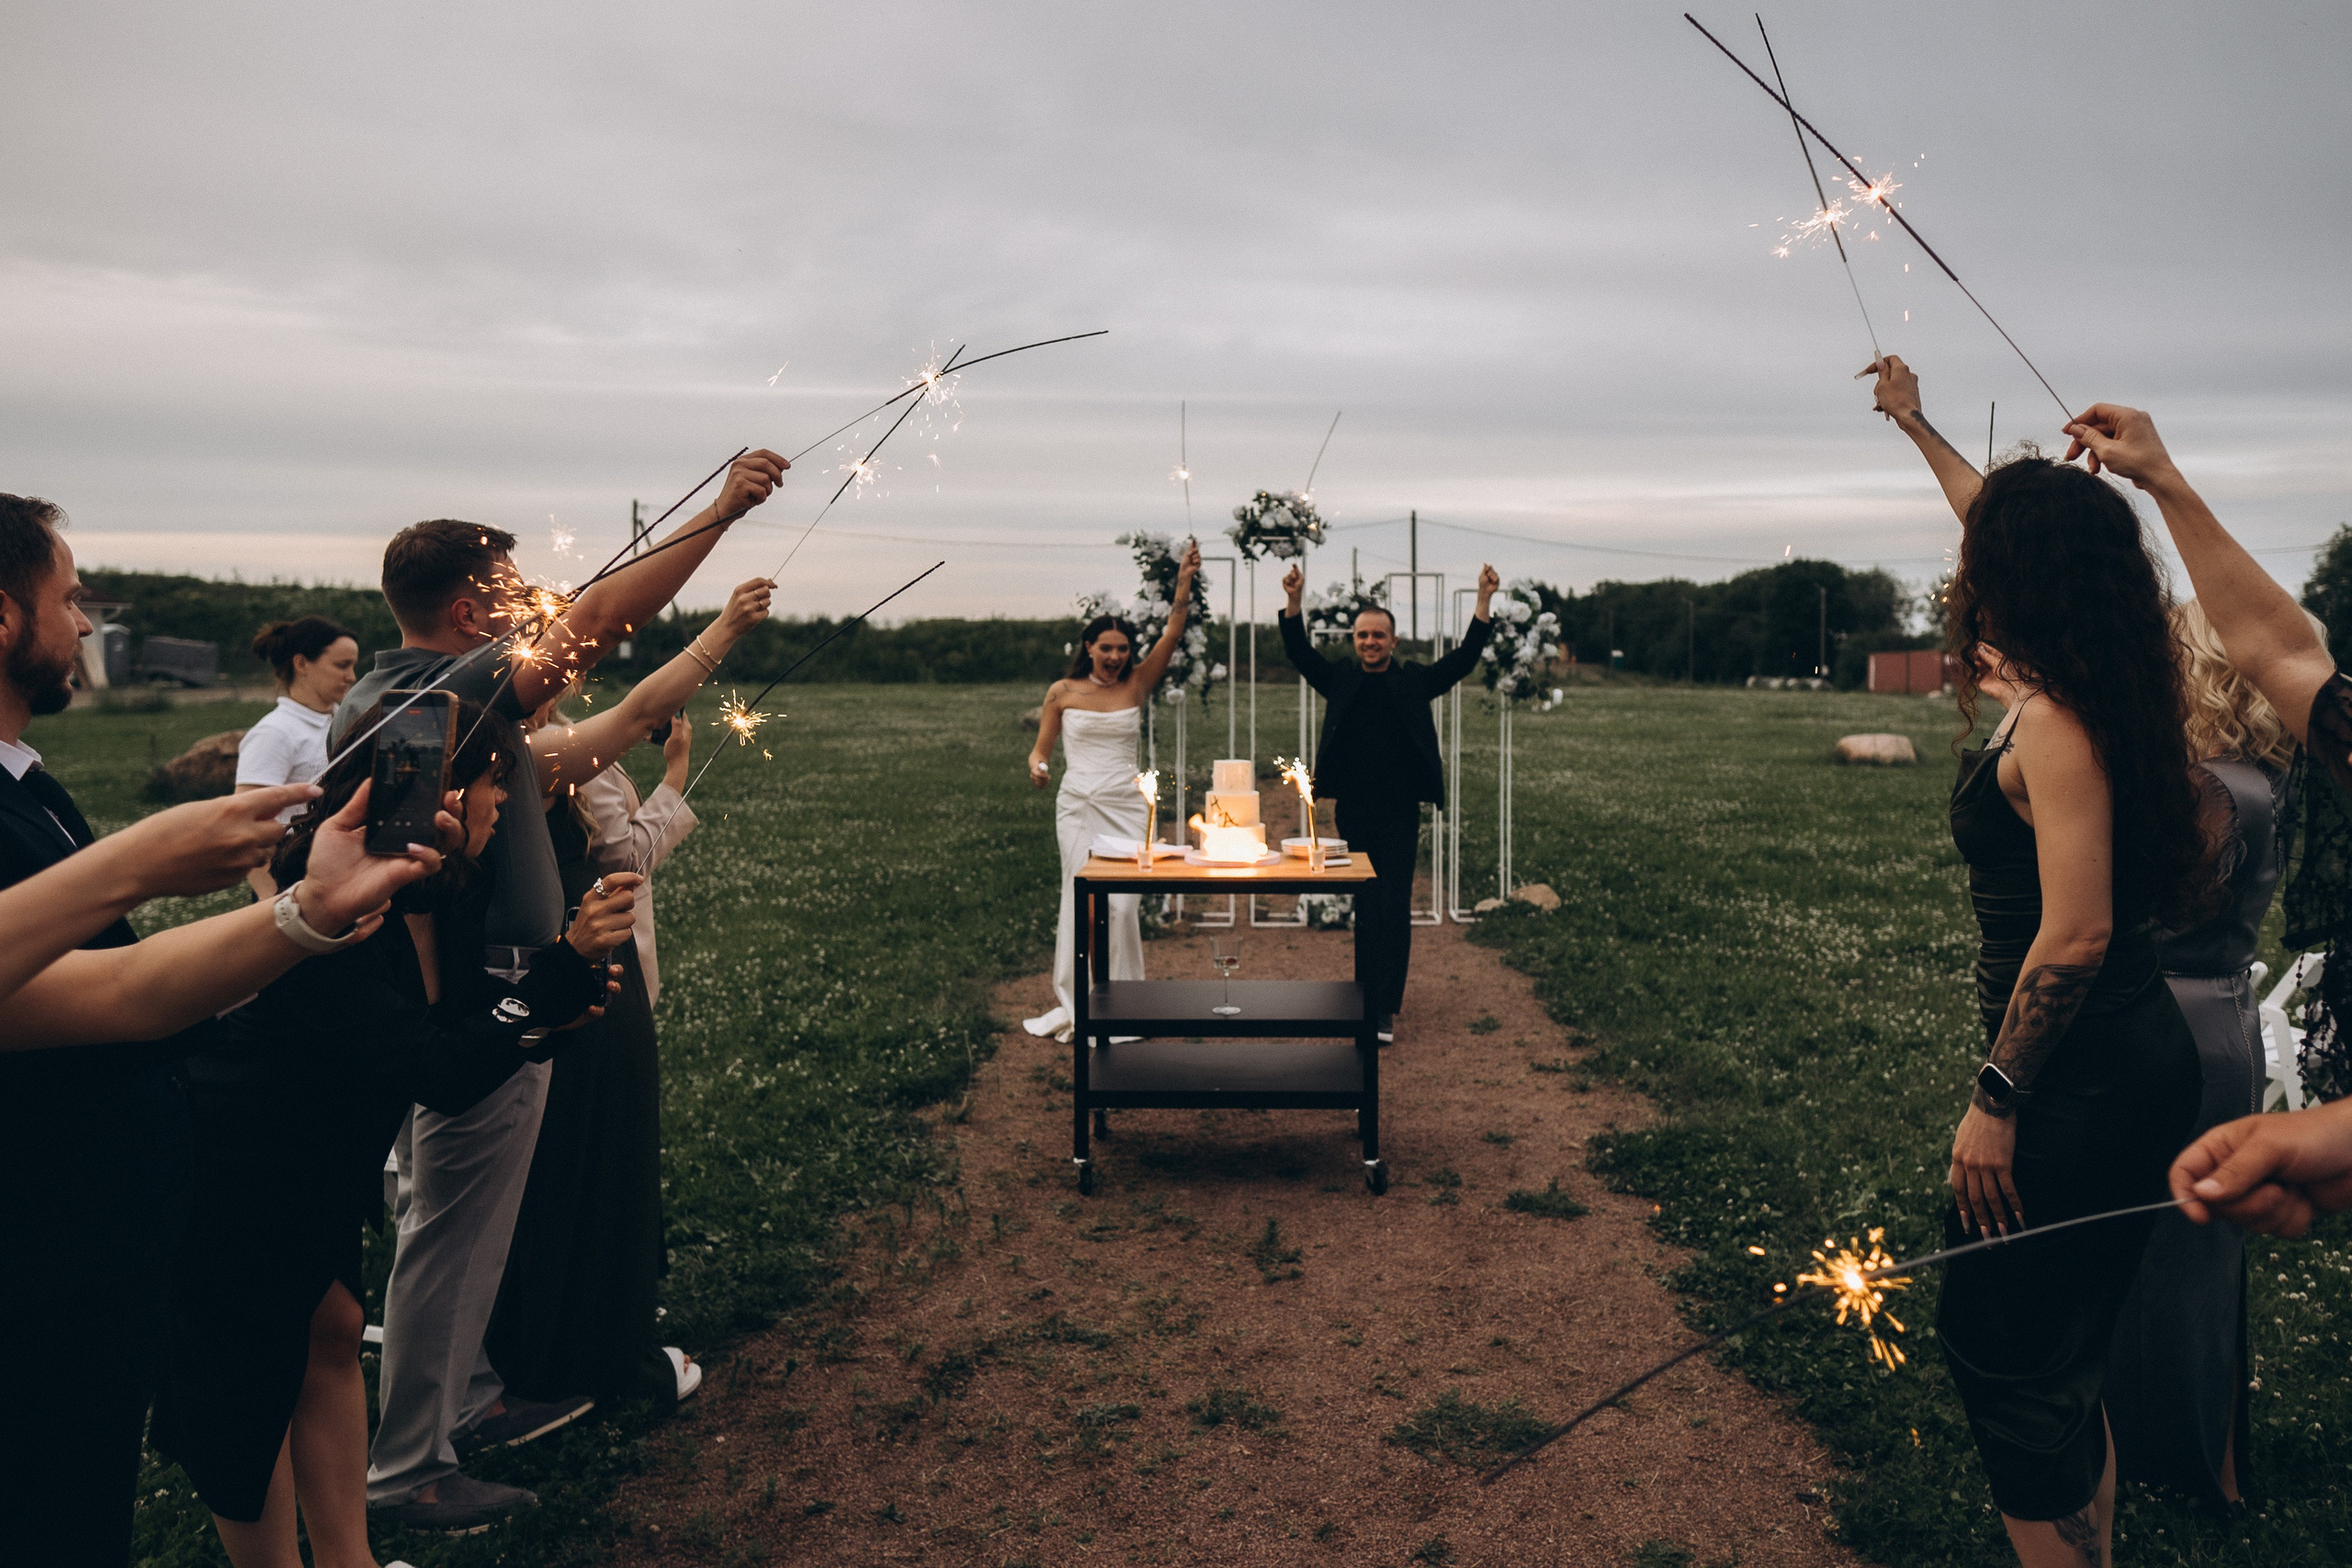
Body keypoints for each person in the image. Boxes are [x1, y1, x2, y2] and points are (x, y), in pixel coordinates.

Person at [0, 493, 443, 1568]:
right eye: (65, 598)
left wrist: (310, 912)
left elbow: (115, 991)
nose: (84, 625)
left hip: (96, 1255)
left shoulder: (25, 782)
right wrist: (147, 855)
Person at [352, 451, 785, 1532]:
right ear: (464, 609)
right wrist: (720, 511)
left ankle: (471, 1400)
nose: (532, 614)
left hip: (517, 1005)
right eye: (507, 596)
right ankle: (409, 1466)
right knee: (444, 1239)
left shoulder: (453, 703)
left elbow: (608, 717)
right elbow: (596, 623)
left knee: (475, 1231)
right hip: (472, 1022)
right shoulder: (421, 696)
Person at [152, 701, 634, 1564]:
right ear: (441, 791)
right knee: (246, 1386)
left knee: (333, 1327)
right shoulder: (339, 906)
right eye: (494, 786)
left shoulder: (445, 884)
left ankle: (350, 1558)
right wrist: (554, 977)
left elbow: (466, 1028)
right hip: (240, 1169)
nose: (501, 808)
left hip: (320, 1167)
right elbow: (439, 1073)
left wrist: (548, 1010)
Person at [1869, 356, 2204, 1567]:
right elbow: (1998, 514)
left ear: (2011, 577)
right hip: (2130, 1057)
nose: (1965, 564)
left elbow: (2075, 933)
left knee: (2006, 1354)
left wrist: (1994, 1100)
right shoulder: (2097, 681)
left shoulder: (2056, 717)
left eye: (1984, 554)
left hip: (2081, 1073)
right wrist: (1918, 425)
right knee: (2066, 1357)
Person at [490, 578, 775, 1414]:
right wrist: (725, 626)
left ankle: (547, 1334)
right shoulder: (545, 752)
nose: (574, 667)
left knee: (559, 1167)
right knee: (591, 1159)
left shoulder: (496, 740)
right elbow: (628, 859)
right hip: (582, 974)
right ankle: (597, 1344)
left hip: (547, 977)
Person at [2106, 600, 2309, 1506]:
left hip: (2170, 1028)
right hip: (2221, 1015)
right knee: (2201, 1256)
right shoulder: (2264, 776)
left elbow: (2146, 909)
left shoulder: (2205, 786)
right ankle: (2207, 1464)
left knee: (2165, 1260)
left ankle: (2174, 1466)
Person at [1278, 560, 1498, 1043]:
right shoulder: (1340, 679)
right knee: (1367, 905)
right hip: (1353, 810)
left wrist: (1483, 603)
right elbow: (1298, 650)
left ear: (1393, 642)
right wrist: (1294, 601)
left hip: (1400, 811)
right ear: (1353, 641)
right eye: (1362, 636)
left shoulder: (1413, 682)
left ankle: (1383, 1008)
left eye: (1379, 636)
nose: (1370, 643)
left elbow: (1463, 659)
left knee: (1394, 907)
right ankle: (1366, 997)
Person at [1022, 540, 1200, 1043]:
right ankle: (1078, 1000)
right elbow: (1040, 751)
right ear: (1089, 649)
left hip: (1125, 805)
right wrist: (1038, 768)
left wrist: (1183, 581)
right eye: (1107, 649)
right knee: (1080, 901)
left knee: (1121, 906)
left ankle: (1122, 1000)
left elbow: (1173, 630)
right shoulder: (1062, 692)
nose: (1117, 657)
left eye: (1123, 649)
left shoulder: (1138, 685)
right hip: (1077, 804)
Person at [238, 616, 362, 896]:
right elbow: (247, 826)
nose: (352, 677)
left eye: (353, 666)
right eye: (342, 665)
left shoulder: (344, 723)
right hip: (289, 881)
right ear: (302, 663)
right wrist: (271, 904)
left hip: (338, 873)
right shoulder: (275, 732)